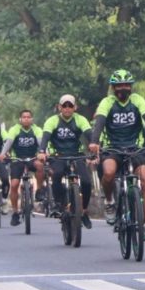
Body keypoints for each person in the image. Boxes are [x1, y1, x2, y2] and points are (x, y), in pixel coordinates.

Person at [89, 70, 145, 241]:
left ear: (131, 87)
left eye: (126, 85)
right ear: (113, 87)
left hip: (135, 147)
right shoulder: (107, 102)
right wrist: (94, 142)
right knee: (108, 173)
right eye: (119, 86)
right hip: (113, 148)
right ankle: (109, 202)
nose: (123, 88)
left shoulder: (137, 100)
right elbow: (99, 122)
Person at [38, 95, 94, 224]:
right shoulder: (52, 121)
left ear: (75, 107)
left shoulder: (80, 119)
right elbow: (45, 137)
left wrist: (94, 149)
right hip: (58, 155)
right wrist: (42, 151)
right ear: (59, 107)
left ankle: (84, 210)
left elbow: (89, 135)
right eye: (64, 106)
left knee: (86, 182)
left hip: (77, 154)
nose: (67, 109)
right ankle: (58, 203)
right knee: (56, 175)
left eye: (70, 106)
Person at [0, 109, 46, 227]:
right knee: (14, 185)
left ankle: (39, 190)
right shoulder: (15, 129)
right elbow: (8, 143)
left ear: (32, 119)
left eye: (28, 117)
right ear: (20, 119)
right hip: (17, 160)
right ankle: (15, 212)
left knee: (40, 165)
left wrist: (44, 153)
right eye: (24, 117)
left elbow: (41, 143)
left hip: (32, 158)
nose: (26, 119)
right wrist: (3, 153)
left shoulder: (37, 129)